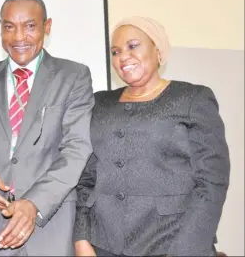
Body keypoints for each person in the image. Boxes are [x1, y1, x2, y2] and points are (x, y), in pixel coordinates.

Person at [0, 0, 94, 256]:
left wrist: (34, 204)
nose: (18, 37)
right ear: (0, 29)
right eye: (9, 27)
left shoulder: (73, 76)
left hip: (51, 226)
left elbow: (76, 150)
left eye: (29, 26)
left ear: (46, 27)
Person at [74, 16, 230, 256]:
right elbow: (86, 179)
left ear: (157, 50)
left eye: (132, 46)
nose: (123, 56)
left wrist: (187, 250)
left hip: (171, 245)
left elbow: (211, 183)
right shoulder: (100, 103)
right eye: (115, 52)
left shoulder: (192, 98)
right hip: (102, 246)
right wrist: (82, 238)